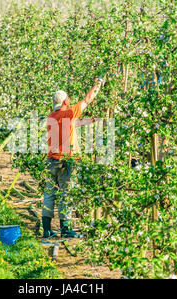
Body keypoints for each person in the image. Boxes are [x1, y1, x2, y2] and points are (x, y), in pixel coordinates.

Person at [42, 77, 105, 238]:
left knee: (49, 193)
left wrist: (91, 121)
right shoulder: (69, 113)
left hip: (51, 161)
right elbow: (87, 99)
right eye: (68, 98)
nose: (70, 100)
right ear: (64, 102)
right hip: (65, 162)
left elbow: (72, 124)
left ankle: (46, 229)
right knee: (65, 194)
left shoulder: (52, 116)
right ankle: (65, 228)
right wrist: (97, 83)